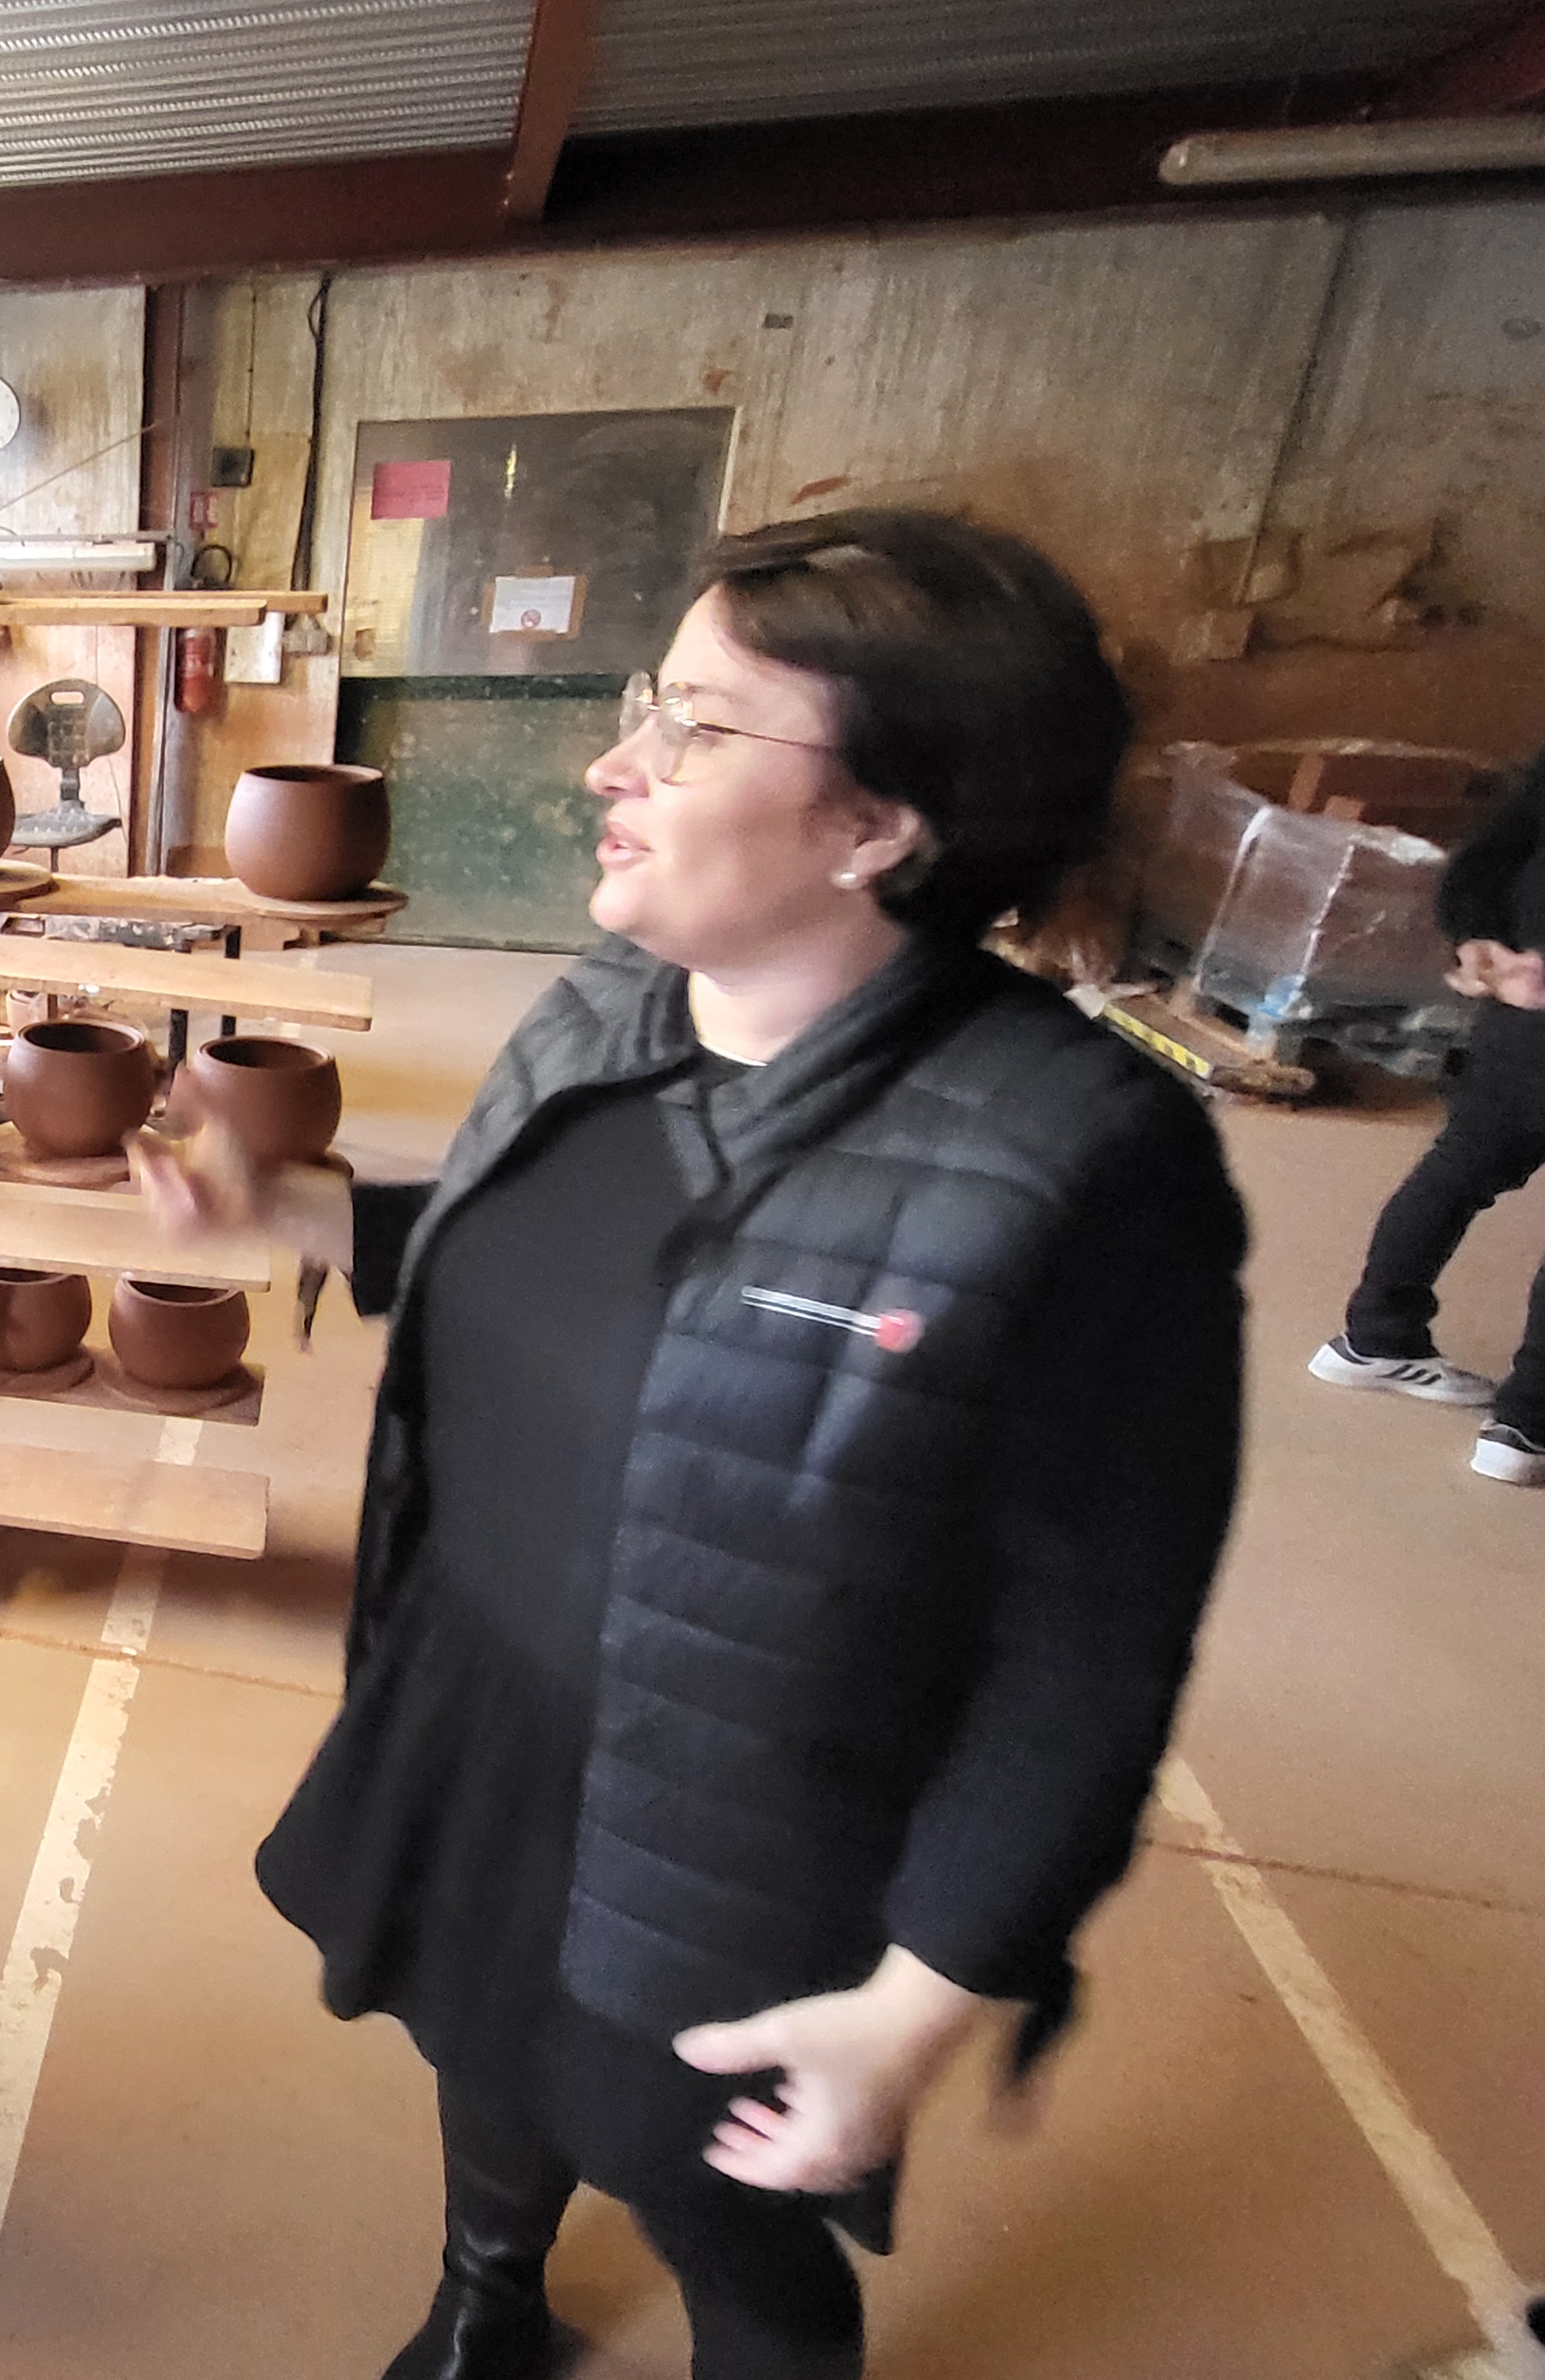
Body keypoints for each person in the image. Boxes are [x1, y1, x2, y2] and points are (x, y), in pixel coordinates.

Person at [136, 509, 1247, 2380]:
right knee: (482, 2041)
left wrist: (915, 2009)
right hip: (478, 1702)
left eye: (703, 726)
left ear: (878, 826)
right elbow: (546, 1252)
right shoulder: (609, 1007)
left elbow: (1087, 1656)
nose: (614, 757)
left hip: (745, 1811)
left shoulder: (1079, 1166)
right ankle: (488, 2291)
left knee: (710, 2190)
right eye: (649, 696)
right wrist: (302, 1215)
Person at [1307, 747, 1545, 1485]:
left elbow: (1486, 858)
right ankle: (1527, 1424)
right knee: (1458, 1172)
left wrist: (1483, 943)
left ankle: (1374, 1335)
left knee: (1457, 1170)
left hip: (1521, 1011)